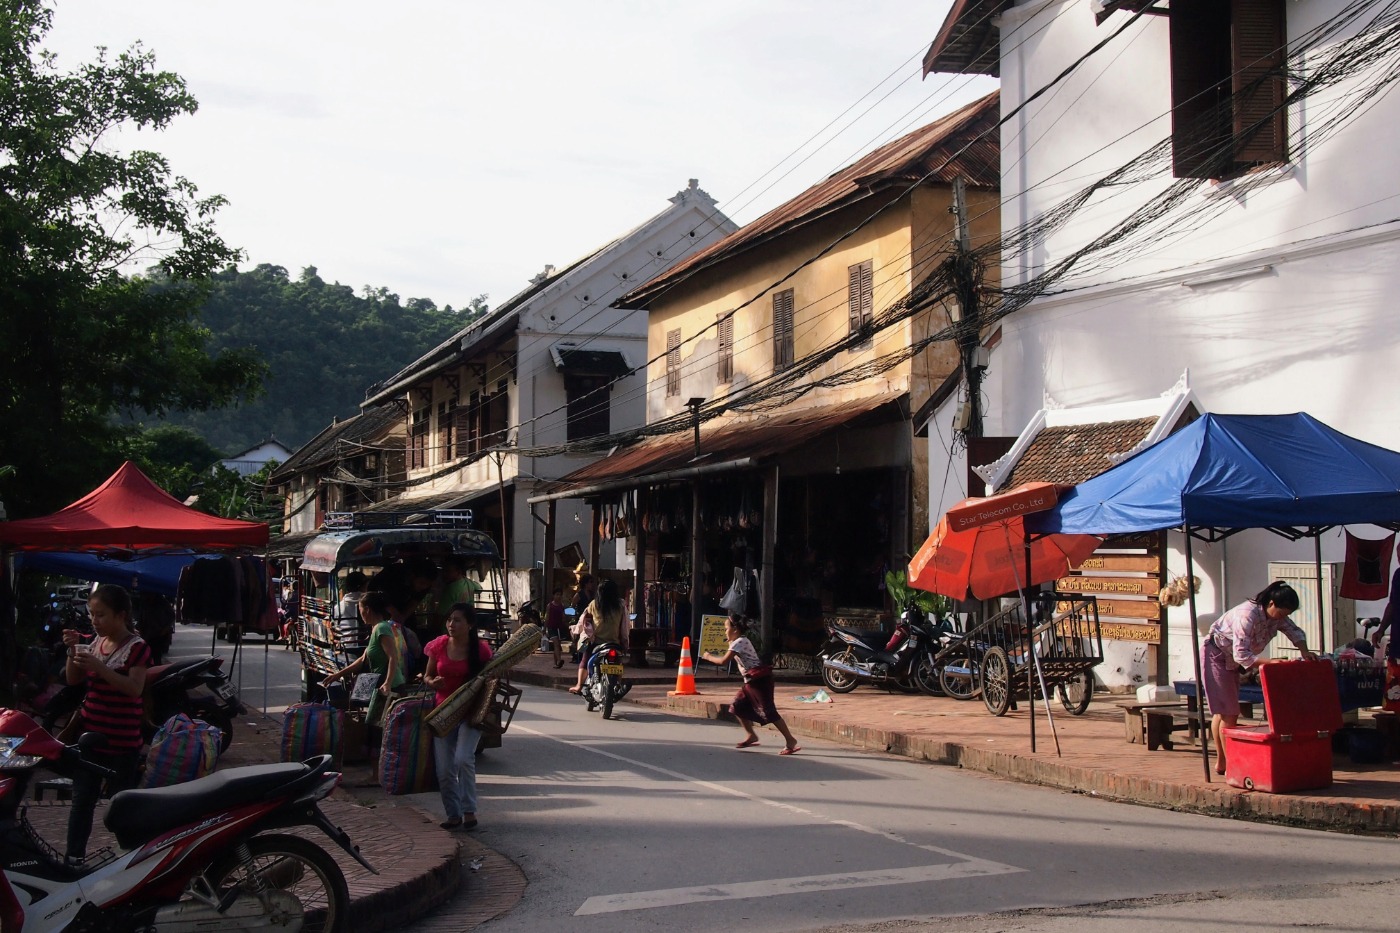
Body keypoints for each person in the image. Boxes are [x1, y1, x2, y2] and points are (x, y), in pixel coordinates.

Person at [61, 584, 152, 867]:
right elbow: (72, 680)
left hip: (122, 742)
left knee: (121, 806)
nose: (94, 621)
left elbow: (134, 689)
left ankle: (131, 862)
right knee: (82, 802)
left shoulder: (138, 649)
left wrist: (100, 668)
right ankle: (73, 859)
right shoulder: (93, 643)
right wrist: (72, 651)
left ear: (121, 615)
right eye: (92, 614)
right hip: (91, 738)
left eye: (101, 615)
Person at [1202, 580, 1317, 775]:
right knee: (1228, 713)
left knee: (1224, 712)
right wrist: (1271, 663)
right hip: (1218, 655)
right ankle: (1231, 763)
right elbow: (1241, 654)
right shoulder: (1247, 615)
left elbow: (1294, 631)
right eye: (1281, 613)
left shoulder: (1278, 617)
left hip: (1234, 661)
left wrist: (1305, 651)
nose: (1282, 618)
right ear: (1271, 604)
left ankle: (1222, 762)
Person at [422, 603, 493, 830]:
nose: (452, 624)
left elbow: (491, 679)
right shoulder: (439, 646)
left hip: (471, 713)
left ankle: (469, 811)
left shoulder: (481, 650)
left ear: (470, 625)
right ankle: (453, 815)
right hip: (442, 713)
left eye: (458, 620)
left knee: (463, 758)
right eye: (450, 619)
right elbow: (427, 675)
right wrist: (433, 682)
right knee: (444, 769)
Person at [321, 591, 407, 778]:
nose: (360, 614)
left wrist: (387, 683)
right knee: (375, 729)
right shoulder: (377, 629)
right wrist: (337, 675)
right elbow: (362, 660)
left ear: (367, 609)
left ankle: (378, 776)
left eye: (360, 610)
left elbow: (393, 658)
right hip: (383, 687)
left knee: (377, 730)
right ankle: (378, 774)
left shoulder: (382, 628)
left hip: (389, 688)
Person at [701, 615, 800, 755]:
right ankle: (751, 735)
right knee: (737, 706)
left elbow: (723, 661)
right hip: (750, 681)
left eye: (726, 629)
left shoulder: (739, 642)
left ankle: (790, 740)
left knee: (769, 711)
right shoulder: (738, 641)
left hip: (759, 681)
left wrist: (707, 656)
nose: (725, 632)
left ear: (735, 629)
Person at [569, 577, 627, 695]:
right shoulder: (621, 604)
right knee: (618, 662)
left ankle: (579, 685)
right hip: (614, 643)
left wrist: (576, 632)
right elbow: (625, 625)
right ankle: (618, 685)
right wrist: (625, 641)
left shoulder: (594, 604)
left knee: (585, 661)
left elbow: (583, 621)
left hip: (596, 642)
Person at [544, 587, 569, 668]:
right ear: (553, 596)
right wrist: (544, 628)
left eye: (560, 595)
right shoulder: (550, 605)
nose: (558, 596)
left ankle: (556, 663)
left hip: (559, 627)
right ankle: (559, 660)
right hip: (552, 627)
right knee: (556, 643)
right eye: (557, 595)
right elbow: (547, 617)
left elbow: (563, 617)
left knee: (557, 645)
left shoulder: (562, 606)